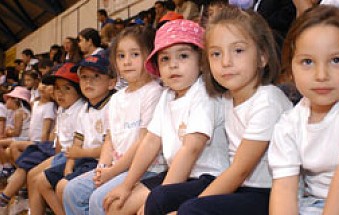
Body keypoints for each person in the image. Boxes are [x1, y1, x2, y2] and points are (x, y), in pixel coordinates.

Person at [103, 19, 229, 215]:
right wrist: (126, 185)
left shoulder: (204, 93)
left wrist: (163, 194)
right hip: (176, 173)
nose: (173, 65)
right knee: (116, 207)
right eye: (165, 59)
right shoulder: (166, 95)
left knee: (149, 208)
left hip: (207, 177)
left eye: (183, 56)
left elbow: (192, 148)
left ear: (202, 62)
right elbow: (151, 141)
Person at [174, 6, 292, 215]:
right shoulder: (226, 98)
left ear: (262, 57)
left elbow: (240, 170)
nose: (226, 62)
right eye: (216, 54)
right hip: (241, 189)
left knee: (191, 210)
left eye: (238, 50)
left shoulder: (268, 100)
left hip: (270, 194)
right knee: (163, 198)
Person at [268, 6, 339, 214]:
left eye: (336, 60)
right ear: (291, 70)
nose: (321, 75)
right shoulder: (288, 123)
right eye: (307, 62)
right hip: (313, 205)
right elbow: (284, 189)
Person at [63, 25, 167, 215]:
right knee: (72, 191)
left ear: (149, 56)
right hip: (116, 166)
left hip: (146, 168)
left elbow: (144, 142)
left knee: (99, 200)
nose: (127, 62)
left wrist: (112, 171)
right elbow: (110, 138)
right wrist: (102, 167)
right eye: (121, 56)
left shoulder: (154, 92)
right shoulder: (117, 97)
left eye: (135, 54)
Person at [34, 55, 116, 215]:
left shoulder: (113, 106)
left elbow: (110, 147)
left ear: (111, 82)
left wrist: (80, 154)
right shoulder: (84, 109)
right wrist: (69, 165)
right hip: (84, 160)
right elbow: (77, 143)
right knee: (43, 181)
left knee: (63, 187)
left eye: (96, 76)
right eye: (84, 77)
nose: (88, 82)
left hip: (101, 162)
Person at [0, 63, 84, 215]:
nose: (60, 93)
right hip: (61, 154)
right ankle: (32, 208)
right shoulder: (63, 108)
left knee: (39, 178)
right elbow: (59, 140)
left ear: (79, 90)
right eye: (57, 88)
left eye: (67, 88)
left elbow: (75, 143)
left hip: (73, 156)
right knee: (31, 173)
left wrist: (56, 161)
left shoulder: (80, 109)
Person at [0, 87, 31, 179]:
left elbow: (16, 133)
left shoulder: (18, 113)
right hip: (22, 138)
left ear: (15, 100)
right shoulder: (20, 111)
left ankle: (7, 166)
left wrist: (9, 131)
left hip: (23, 138)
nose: (7, 101)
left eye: (9, 98)